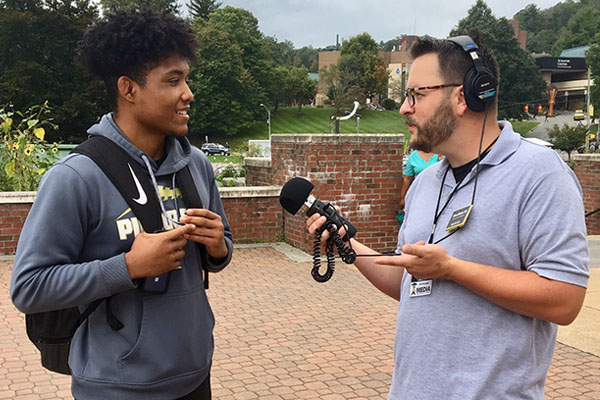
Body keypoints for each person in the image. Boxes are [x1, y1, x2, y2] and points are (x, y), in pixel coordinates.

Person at [307, 33, 589, 399]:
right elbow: (411, 284)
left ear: (464, 96)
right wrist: (349, 245)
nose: (404, 109)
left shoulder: (540, 175)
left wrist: (452, 268)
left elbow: (564, 299)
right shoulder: (425, 184)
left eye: (416, 95)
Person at [10, 9, 233, 400]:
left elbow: (220, 251)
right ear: (128, 89)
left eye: (187, 79)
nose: (189, 93)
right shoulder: (75, 177)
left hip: (196, 377)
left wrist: (219, 246)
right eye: (173, 81)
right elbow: (29, 288)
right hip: (117, 387)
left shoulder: (196, 165)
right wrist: (127, 267)